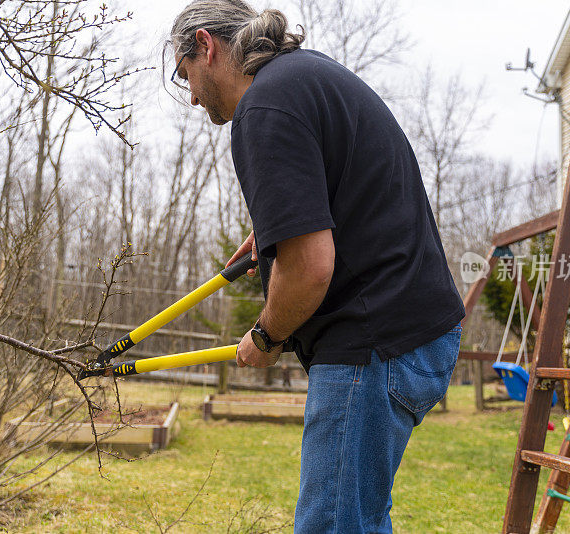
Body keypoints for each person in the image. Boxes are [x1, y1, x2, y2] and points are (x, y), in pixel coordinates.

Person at [167, 1, 465, 532]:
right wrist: (281, 225)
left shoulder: (263, 108)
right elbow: (347, 191)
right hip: (413, 330)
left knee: (332, 525)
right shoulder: (304, 78)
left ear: (206, 46)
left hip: (374, 342)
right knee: (357, 519)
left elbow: (309, 269)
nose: (190, 95)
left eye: (185, 73)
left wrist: (266, 335)